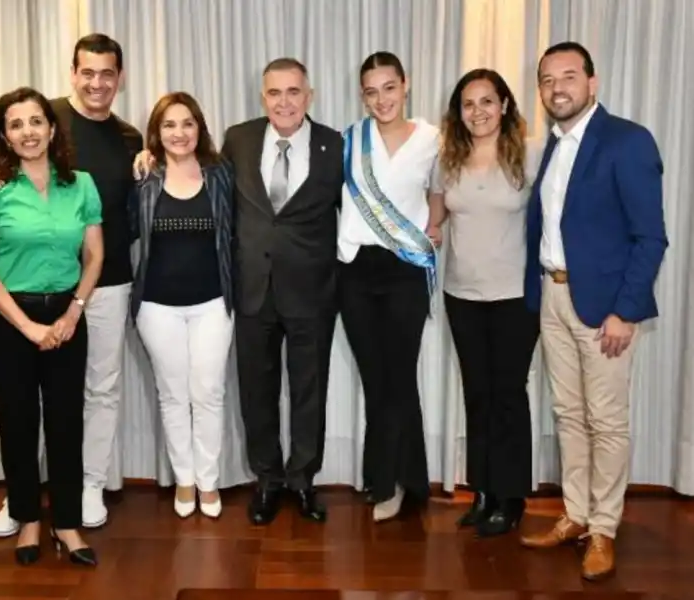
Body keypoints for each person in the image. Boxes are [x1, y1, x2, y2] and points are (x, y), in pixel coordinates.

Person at [135, 58, 342, 524]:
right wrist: (150, 156)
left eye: (293, 92)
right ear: (262, 97)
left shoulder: (334, 145)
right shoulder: (239, 140)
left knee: (310, 392)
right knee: (256, 393)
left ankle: (304, 481)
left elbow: (355, 212)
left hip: (312, 293)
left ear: (308, 96)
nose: (284, 102)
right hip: (250, 291)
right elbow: (197, 177)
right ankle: (267, 480)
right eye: (274, 93)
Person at [0, 34, 142, 535]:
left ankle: (84, 489)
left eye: (107, 73)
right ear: (72, 74)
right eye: (87, 72)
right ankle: (23, 501)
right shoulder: (35, 130)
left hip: (97, 286)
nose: (97, 82)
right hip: (21, 302)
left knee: (94, 394)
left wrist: (75, 307)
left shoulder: (129, 138)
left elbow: (113, 227)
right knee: (19, 408)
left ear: (120, 78)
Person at [519, 42, 668, 581]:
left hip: (604, 307)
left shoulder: (626, 141)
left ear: (592, 82)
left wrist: (625, 311)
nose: (557, 87)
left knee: (606, 422)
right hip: (554, 297)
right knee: (567, 415)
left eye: (568, 76)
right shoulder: (556, 147)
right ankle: (576, 514)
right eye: (547, 79)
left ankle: (604, 527)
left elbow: (650, 236)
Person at [0, 86, 103, 567]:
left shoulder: (80, 183)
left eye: (35, 121)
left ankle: (66, 522)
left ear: (50, 127)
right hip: (6, 321)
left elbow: (95, 255)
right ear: (4, 134)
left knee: (66, 422)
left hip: (67, 315)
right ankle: (27, 518)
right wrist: (26, 326)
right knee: (18, 422)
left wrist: (73, 312)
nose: (28, 132)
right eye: (16, 124)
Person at [426, 68, 541, 536]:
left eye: (487, 102)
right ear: (459, 112)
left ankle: (511, 497)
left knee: (508, 395)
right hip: (462, 295)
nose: (478, 112)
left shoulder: (530, 157)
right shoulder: (446, 161)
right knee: (477, 394)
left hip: (515, 295)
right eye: (468, 104)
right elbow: (434, 222)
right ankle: (484, 492)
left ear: (505, 105)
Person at [337, 51, 439, 522]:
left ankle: (395, 482)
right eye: (372, 91)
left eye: (390, 88)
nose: (382, 99)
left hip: (405, 270)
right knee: (376, 379)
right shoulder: (349, 141)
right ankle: (397, 479)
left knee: (399, 376)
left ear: (406, 85)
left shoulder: (433, 139)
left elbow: (442, 192)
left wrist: (433, 227)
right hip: (356, 271)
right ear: (363, 95)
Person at [131, 92, 235, 519]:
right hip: (157, 307)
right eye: (169, 125)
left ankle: (209, 481)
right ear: (157, 132)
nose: (179, 133)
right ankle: (185, 480)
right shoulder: (144, 178)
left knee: (208, 392)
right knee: (173, 395)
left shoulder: (221, 175)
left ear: (199, 128)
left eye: (187, 123)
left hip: (214, 302)